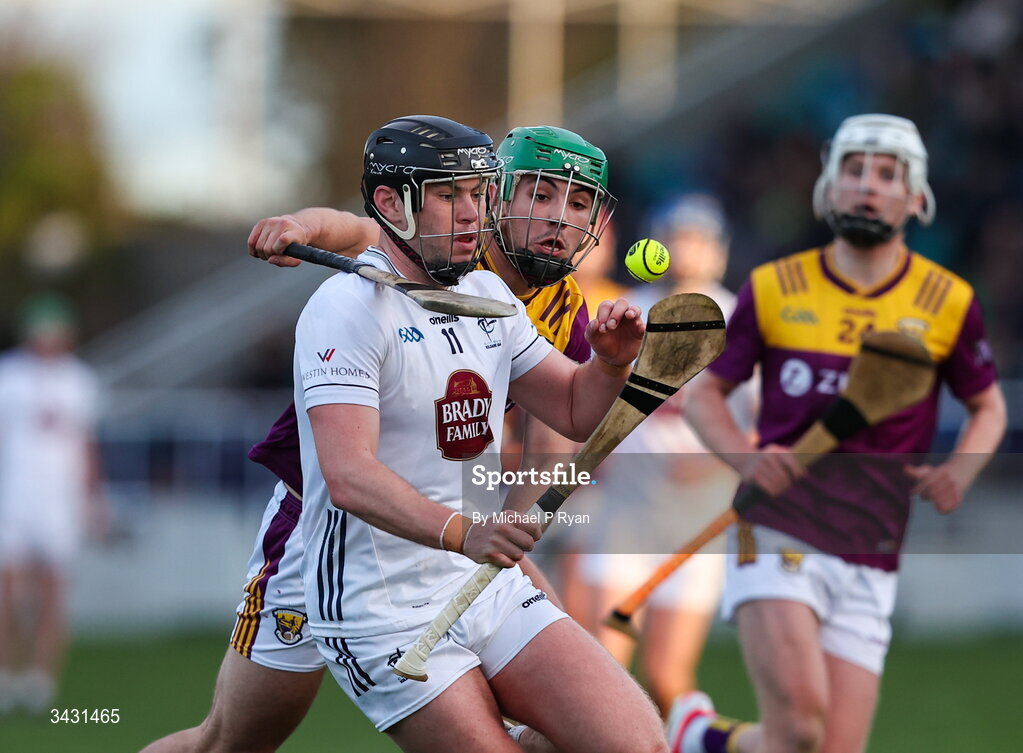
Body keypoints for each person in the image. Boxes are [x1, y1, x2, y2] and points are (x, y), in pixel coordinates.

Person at [141, 121, 654, 753]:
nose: (558, 218)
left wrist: (613, 365)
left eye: (577, 205)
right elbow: (352, 228)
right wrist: (298, 227)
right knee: (230, 743)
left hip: (454, 533)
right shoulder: (389, 270)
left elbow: (566, 420)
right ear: (507, 194)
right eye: (542, 195)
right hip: (325, 536)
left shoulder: (533, 303)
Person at [667, 114, 1007, 753]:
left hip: (873, 547)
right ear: (830, 186)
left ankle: (698, 740)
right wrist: (745, 459)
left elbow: (987, 405)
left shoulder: (949, 300)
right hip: (776, 528)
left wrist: (959, 471)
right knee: (800, 727)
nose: (867, 186)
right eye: (853, 170)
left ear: (916, 198)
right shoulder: (774, 287)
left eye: (886, 174)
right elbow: (704, 396)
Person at [573, 195, 755, 715]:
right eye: (677, 236)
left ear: (717, 250)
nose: (685, 249)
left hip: (697, 515)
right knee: (602, 670)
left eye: (697, 238)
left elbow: (767, 424)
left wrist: (719, 460)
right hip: (627, 506)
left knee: (667, 674)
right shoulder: (630, 310)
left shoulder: (741, 319)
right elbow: (589, 397)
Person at [0, 294, 105, 716]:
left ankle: (41, 680)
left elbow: (87, 444)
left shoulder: (79, 379)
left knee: (53, 592)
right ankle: (8, 674)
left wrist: (93, 497)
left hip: (59, 500)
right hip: (14, 495)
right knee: (8, 592)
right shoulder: (8, 376)